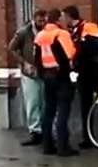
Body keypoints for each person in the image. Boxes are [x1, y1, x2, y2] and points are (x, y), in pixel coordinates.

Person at [34, 11, 79, 156]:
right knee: (63, 111)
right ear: (58, 19)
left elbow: (37, 58)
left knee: (49, 111)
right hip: (61, 76)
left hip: (47, 76)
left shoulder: (40, 35)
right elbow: (70, 53)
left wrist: (42, 74)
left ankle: (47, 145)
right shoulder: (61, 34)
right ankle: (63, 146)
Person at [61, 7, 98, 135]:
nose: (63, 20)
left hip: (94, 72)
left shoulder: (88, 27)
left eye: (64, 17)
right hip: (82, 73)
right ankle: (87, 136)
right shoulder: (71, 32)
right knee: (84, 105)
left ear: (69, 16)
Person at [14, 9, 49, 146]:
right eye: (40, 21)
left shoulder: (46, 31)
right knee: (33, 102)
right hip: (30, 72)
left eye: (44, 20)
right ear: (34, 19)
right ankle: (35, 131)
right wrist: (23, 63)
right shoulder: (24, 32)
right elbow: (12, 48)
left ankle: (45, 130)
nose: (42, 23)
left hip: (44, 71)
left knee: (44, 102)